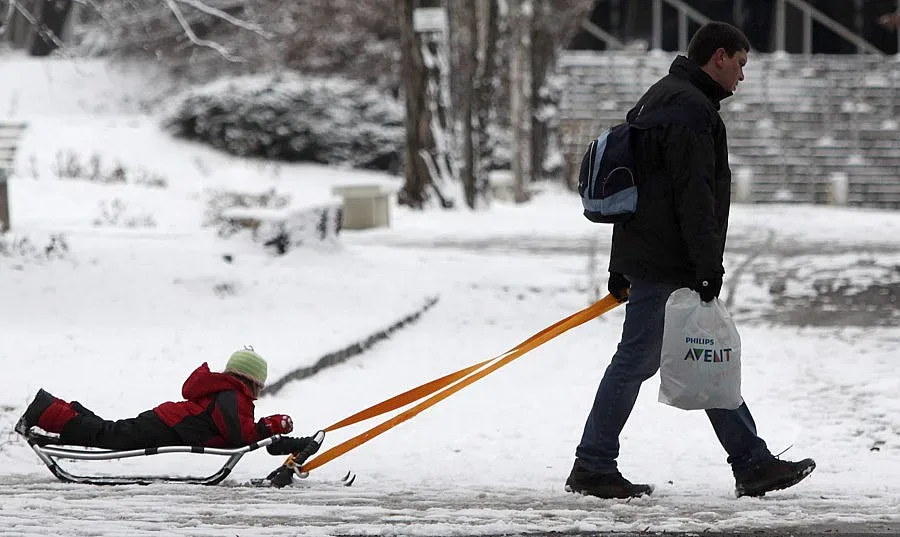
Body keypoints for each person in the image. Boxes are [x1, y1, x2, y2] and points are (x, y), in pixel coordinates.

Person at [566, 22, 815, 499]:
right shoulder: (691, 110)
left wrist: (622, 266)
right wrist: (706, 268)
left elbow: (639, 194)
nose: (742, 76)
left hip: (652, 257)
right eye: (740, 64)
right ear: (718, 57)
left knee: (703, 354)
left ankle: (752, 461)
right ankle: (593, 464)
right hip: (668, 262)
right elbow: (693, 196)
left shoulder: (660, 97)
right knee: (644, 361)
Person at [16, 347, 317, 457]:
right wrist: (268, 425)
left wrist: (276, 437)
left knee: (111, 432)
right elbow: (239, 437)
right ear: (253, 381)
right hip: (165, 425)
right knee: (110, 436)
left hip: (166, 422)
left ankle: (56, 411)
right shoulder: (232, 397)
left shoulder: (229, 395)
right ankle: (47, 411)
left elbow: (238, 435)